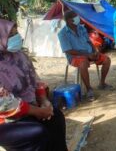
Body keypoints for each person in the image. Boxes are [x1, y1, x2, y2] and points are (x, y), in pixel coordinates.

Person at [0, 19, 68, 151]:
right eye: (11, 35)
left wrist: (44, 101)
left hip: (30, 107)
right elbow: (3, 103)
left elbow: (36, 81)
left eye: (16, 33)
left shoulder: (20, 57)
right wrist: (38, 111)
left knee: (56, 117)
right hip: (6, 118)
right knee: (36, 132)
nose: (18, 38)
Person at [58, 11, 114, 101]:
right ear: (69, 21)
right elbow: (68, 50)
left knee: (107, 60)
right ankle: (89, 89)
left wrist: (95, 51)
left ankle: (102, 84)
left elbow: (89, 41)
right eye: (75, 17)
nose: (78, 18)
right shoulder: (62, 33)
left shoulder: (81, 28)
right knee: (83, 63)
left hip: (89, 53)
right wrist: (87, 55)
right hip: (75, 57)